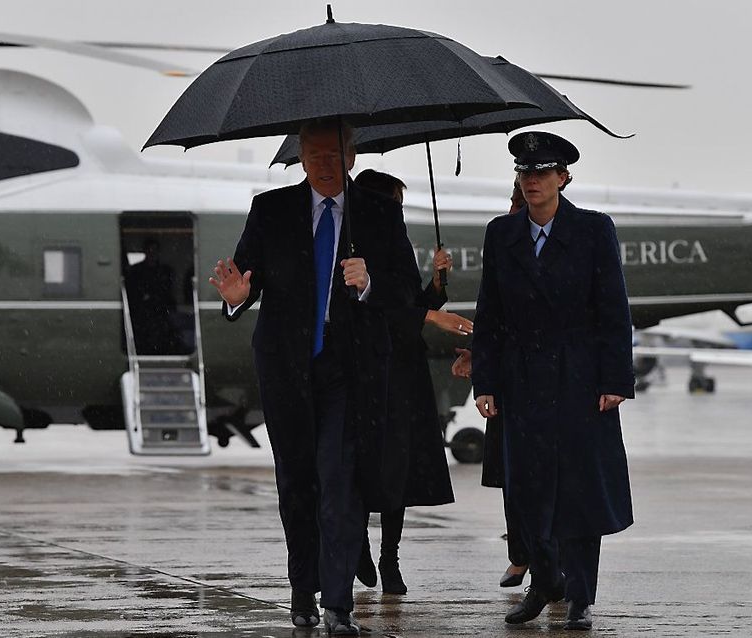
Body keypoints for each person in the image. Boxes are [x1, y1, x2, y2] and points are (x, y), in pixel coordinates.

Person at [209, 120, 420, 635]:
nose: (323, 162)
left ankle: (338, 604)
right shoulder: (271, 209)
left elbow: (408, 295)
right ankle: (302, 589)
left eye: (333, 153)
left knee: (339, 482)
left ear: (351, 157)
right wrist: (236, 301)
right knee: (297, 484)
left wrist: (369, 285)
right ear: (300, 157)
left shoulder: (379, 214)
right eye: (313, 153)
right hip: (287, 369)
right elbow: (245, 281)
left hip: (349, 372)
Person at [470, 131, 635, 631]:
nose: (533, 180)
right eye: (525, 172)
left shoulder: (592, 230)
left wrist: (615, 379)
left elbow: (613, 308)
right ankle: (545, 581)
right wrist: (486, 381)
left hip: (579, 380)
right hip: (522, 381)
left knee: (580, 492)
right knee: (526, 491)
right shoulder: (502, 234)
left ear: (564, 177)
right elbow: (490, 312)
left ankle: (580, 595)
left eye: (543, 172)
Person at [351, 169, 468, 595]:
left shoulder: (397, 247)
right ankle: (360, 544)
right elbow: (371, 311)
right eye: (394, 203)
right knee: (365, 463)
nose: (398, 212)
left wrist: (436, 285)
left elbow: (407, 304)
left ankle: (390, 556)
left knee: (398, 466)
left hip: (402, 370)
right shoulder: (352, 249)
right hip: (366, 370)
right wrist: (427, 314)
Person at [453, 178, 531, 589]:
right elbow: (490, 315)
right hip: (508, 381)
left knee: (553, 476)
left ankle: (551, 561)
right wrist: (480, 364)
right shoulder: (501, 239)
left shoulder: (570, 237)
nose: (516, 210)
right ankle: (520, 554)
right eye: (515, 200)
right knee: (512, 475)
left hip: (553, 378)